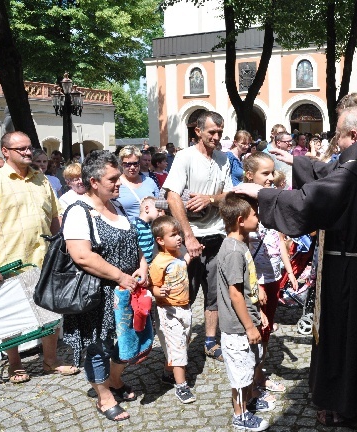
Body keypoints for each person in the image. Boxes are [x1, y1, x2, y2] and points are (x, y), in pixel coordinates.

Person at [235, 107, 357, 426]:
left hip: (350, 272)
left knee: (348, 335)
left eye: (338, 133)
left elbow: (311, 200)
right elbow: (337, 179)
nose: (334, 139)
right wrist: (299, 161)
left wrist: (262, 193)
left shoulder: (356, 171)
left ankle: (349, 405)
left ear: (353, 135)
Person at [0, 131, 79, 384]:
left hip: (44, 258)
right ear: (5, 151)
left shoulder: (41, 180)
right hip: (10, 261)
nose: (27, 152)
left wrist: (62, 251)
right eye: (20, 148)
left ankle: (50, 361)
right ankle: (15, 365)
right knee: (11, 315)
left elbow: (55, 217)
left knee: (51, 313)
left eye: (29, 148)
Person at [62, 150, 148, 422]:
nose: (119, 183)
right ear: (93, 181)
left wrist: (143, 268)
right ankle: (104, 395)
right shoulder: (79, 211)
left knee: (126, 344)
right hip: (97, 295)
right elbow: (82, 255)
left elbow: (137, 243)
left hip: (126, 293)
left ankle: (114, 379)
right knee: (98, 346)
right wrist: (120, 277)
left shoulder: (118, 206)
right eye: (112, 179)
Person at [163, 110, 233, 361]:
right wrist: (189, 236)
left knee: (214, 293)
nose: (216, 137)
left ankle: (211, 342)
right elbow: (172, 196)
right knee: (184, 295)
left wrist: (210, 198)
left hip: (217, 236)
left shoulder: (224, 158)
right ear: (198, 132)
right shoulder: (185, 157)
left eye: (220, 132)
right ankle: (176, 351)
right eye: (212, 132)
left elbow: (230, 196)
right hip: (191, 240)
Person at [216, 192, 272, 431]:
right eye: (254, 215)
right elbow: (236, 293)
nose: (258, 219)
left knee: (249, 368)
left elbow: (247, 288)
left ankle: (249, 402)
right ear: (240, 219)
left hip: (249, 321)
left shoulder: (242, 244)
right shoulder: (233, 252)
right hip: (238, 328)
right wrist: (249, 326)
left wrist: (259, 313)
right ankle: (240, 416)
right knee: (240, 377)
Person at [242, 152, 296, 396]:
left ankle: (258, 374)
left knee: (268, 328)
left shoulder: (270, 201)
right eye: (266, 173)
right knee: (256, 328)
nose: (271, 178)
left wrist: (289, 272)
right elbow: (241, 251)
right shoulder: (244, 206)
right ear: (249, 175)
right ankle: (253, 381)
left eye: (273, 172)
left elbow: (278, 239)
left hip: (273, 277)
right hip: (257, 281)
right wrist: (256, 285)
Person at [149, 216, 196, 404]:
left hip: (185, 307)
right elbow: (152, 285)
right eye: (174, 235)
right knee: (177, 348)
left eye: (179, 234)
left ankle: (168, 373)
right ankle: (181, 386)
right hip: (168, 311)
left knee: (183, 341)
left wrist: (191, 255)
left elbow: (182, 265)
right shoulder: (158, 262)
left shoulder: (178, 254)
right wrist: (158, 291)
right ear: (160, 240)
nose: (179, 238)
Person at [115, 146, 159, 221]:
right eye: (128, 164)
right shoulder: (116, 184)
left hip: (150, 230)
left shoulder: (150, 181)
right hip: (127, 230)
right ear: (121, 164)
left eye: (135, 164)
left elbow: (159, 206)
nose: (132, 167)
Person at [133, 196, 161, 264]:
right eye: (158, 210)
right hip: (139, 267)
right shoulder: (135, 226)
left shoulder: (150, 226)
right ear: (147, 208)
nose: (160, 214)